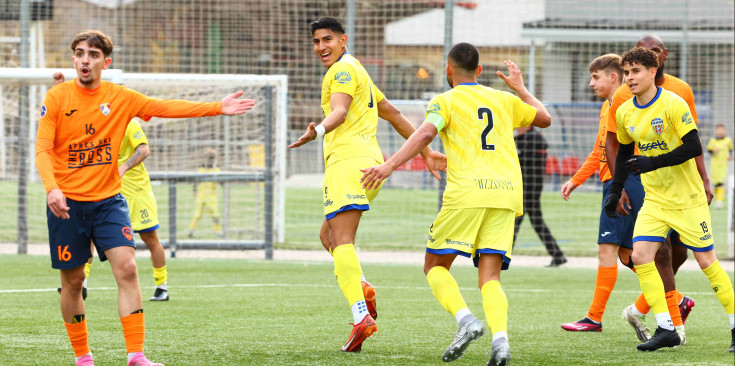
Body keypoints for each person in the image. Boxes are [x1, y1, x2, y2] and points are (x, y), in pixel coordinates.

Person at [36, 30, 255, 366]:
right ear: (72, 58)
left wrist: (216, 108)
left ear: (105, 62)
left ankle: (136, 355)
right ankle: (83, 357)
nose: (84, 60)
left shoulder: (120, 97)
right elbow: (43, 149)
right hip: (67, 205)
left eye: (93, 55)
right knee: (74, 280)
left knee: (127, 268)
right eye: (79, 53)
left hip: (109, 201)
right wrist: (51, 187)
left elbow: (163, 106)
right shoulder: (56, 97)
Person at [361, 43, 552, 365]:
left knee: (434, 265)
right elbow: (544, 118)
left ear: (448, 70)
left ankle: (466, 321)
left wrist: (389, 165)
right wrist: (520, 88)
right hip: (506, 194)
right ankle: (501, 340)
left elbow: (424, 134)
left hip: (467, 193)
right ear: (479, 70)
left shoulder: (444, 101)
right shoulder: (504, 99)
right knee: (490, 276)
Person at [288, 17, 445, 353]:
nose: (321, 47)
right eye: (316, 42)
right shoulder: (358, 69)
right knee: (327, 236)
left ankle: (361, 316)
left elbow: (340, 112)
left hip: (348, 164)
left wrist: (317, 131)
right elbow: (392, 113)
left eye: (327, 39)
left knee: (342, 239)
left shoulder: (341, 72)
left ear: (343, 40)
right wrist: (428, 151)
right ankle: (362, 288)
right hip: (370, 165)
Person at [604, 46, 734, 352]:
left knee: (706, 262)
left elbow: (693, 146)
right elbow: (624, 151)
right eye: (626, 73)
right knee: (640, 257)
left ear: (652, 72)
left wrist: (652, 162)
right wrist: (615, 188)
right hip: (656, 201)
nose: (630, 78)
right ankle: (667, 328)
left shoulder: (673, 103)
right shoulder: (623, 111)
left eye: (635, 72)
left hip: (688, 200)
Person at [52, 74, 170, 302]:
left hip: (136, 191)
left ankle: (161, 286)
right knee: (90, 237)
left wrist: (123, 168)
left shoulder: (129, 122)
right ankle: (83, 283)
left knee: (149, 237)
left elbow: (144, 149)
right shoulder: (100, 121)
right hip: (106, 189)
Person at [560, 54, 645, 333]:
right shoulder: (607, 107)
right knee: (627, 255)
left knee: (607, 251)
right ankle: (674, 299)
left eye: (595, 77)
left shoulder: (621, 101)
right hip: (619, 183)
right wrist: (576, 180)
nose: (590, 83)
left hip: (623, 183)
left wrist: (618, 187)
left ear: (612, 77)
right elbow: (599, 152)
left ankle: (593, 318)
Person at [513, 125, 566, 266]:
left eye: (519, 124)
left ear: (528, 124)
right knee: (536, 223)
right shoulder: (526, 138)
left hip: (529, 189)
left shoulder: (533, 139)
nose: (517, 127)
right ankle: (558, 255)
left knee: (515, 221)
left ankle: (503, 256)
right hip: (527, 188)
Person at [187, 148, 223, 238]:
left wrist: (195, 190)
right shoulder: (204, 169)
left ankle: (217, 230)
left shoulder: (214, 170)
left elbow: (221, 181)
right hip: (204, 195)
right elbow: (196, 180)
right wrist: (195, 190)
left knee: (213, 214)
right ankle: (191, 229)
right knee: (200, 214)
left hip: (209, 195)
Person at [707, 124, 733, 209]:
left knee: (720, 183)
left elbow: (731, 149)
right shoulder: (713, 141)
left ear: (725, 131)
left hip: (723, 166)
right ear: (716, 131)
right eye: (719, 130)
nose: (720, 131)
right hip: (714, 166)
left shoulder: (728, 140)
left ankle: (719, 201)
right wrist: (713, 151)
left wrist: (730, 155)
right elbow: (709, 150)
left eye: (722, 130)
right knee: (715, 184)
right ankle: (714, 199)